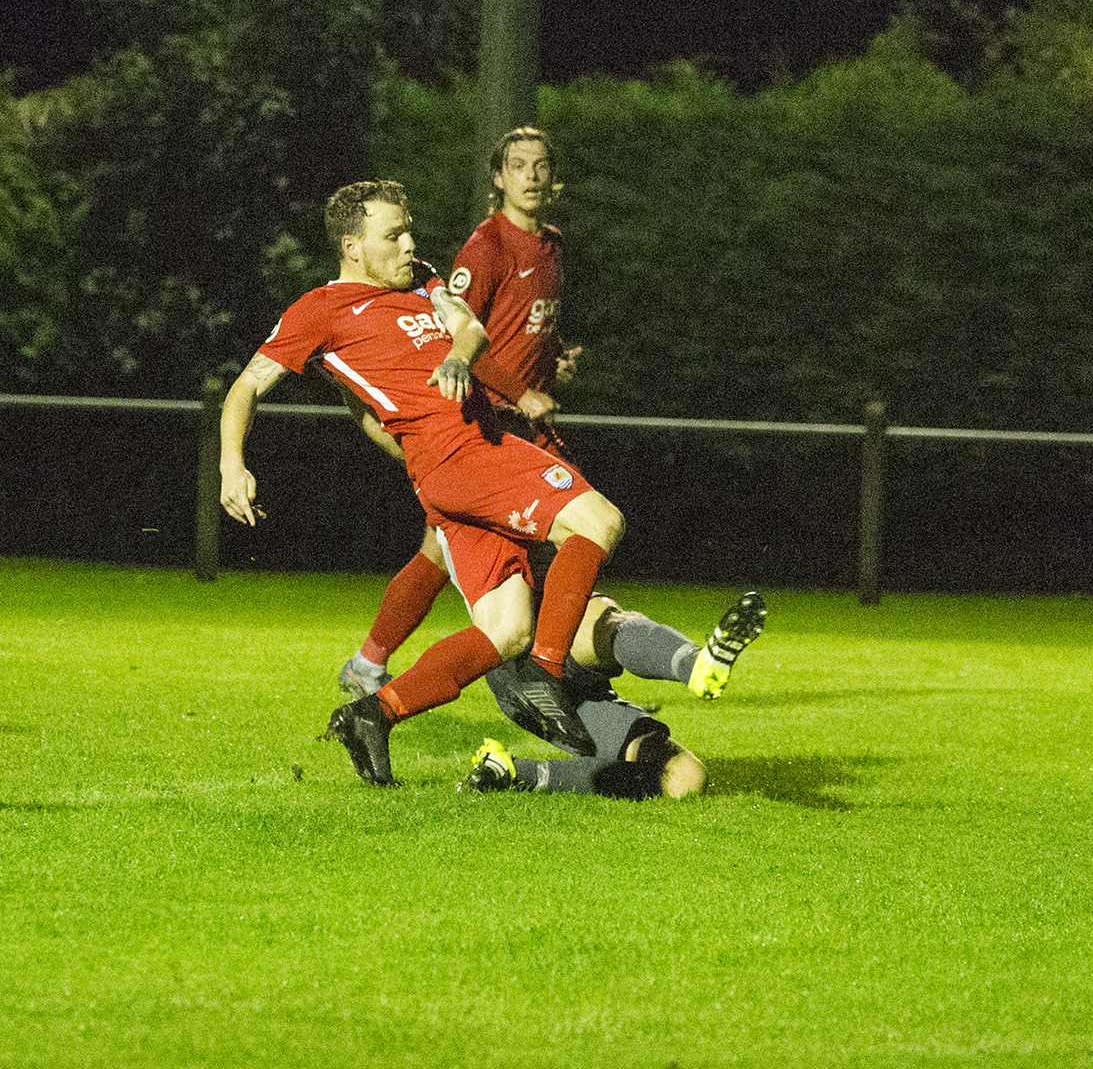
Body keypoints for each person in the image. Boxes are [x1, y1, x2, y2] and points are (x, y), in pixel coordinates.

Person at [220, 179, 627, 786]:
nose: (410, 242)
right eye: (393, 235)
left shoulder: (424, 279)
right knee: (599, 521)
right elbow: (247, 386)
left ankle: (373, 714)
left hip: (467, 459)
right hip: (462, 456)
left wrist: (460, 356)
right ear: (353, 247)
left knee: (504, 630)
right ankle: (547, 671)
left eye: (409, 229)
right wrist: (232, 464)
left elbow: (473, 330)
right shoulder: (321, 312)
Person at [460, 590, 767, 801]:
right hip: (522, 652)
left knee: (686, 779)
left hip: (539, 695)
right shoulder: (501, 503)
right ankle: (691, 663)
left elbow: (424, 573)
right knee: (601, 616)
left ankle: (510, 772)